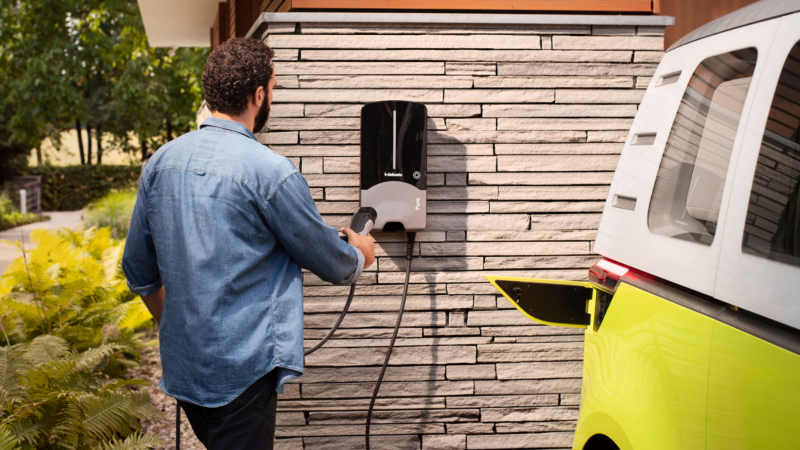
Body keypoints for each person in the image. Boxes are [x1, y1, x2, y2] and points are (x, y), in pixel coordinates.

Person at [121, 37, 376, 449]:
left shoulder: (161, 164)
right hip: (242, 373)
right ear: (259, 95)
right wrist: (359, 253)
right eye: (272, 89)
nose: (271, 96)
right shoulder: (270, 172)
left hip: (186, 369)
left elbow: (138, 269)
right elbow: (335, 264)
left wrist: (174, 326)